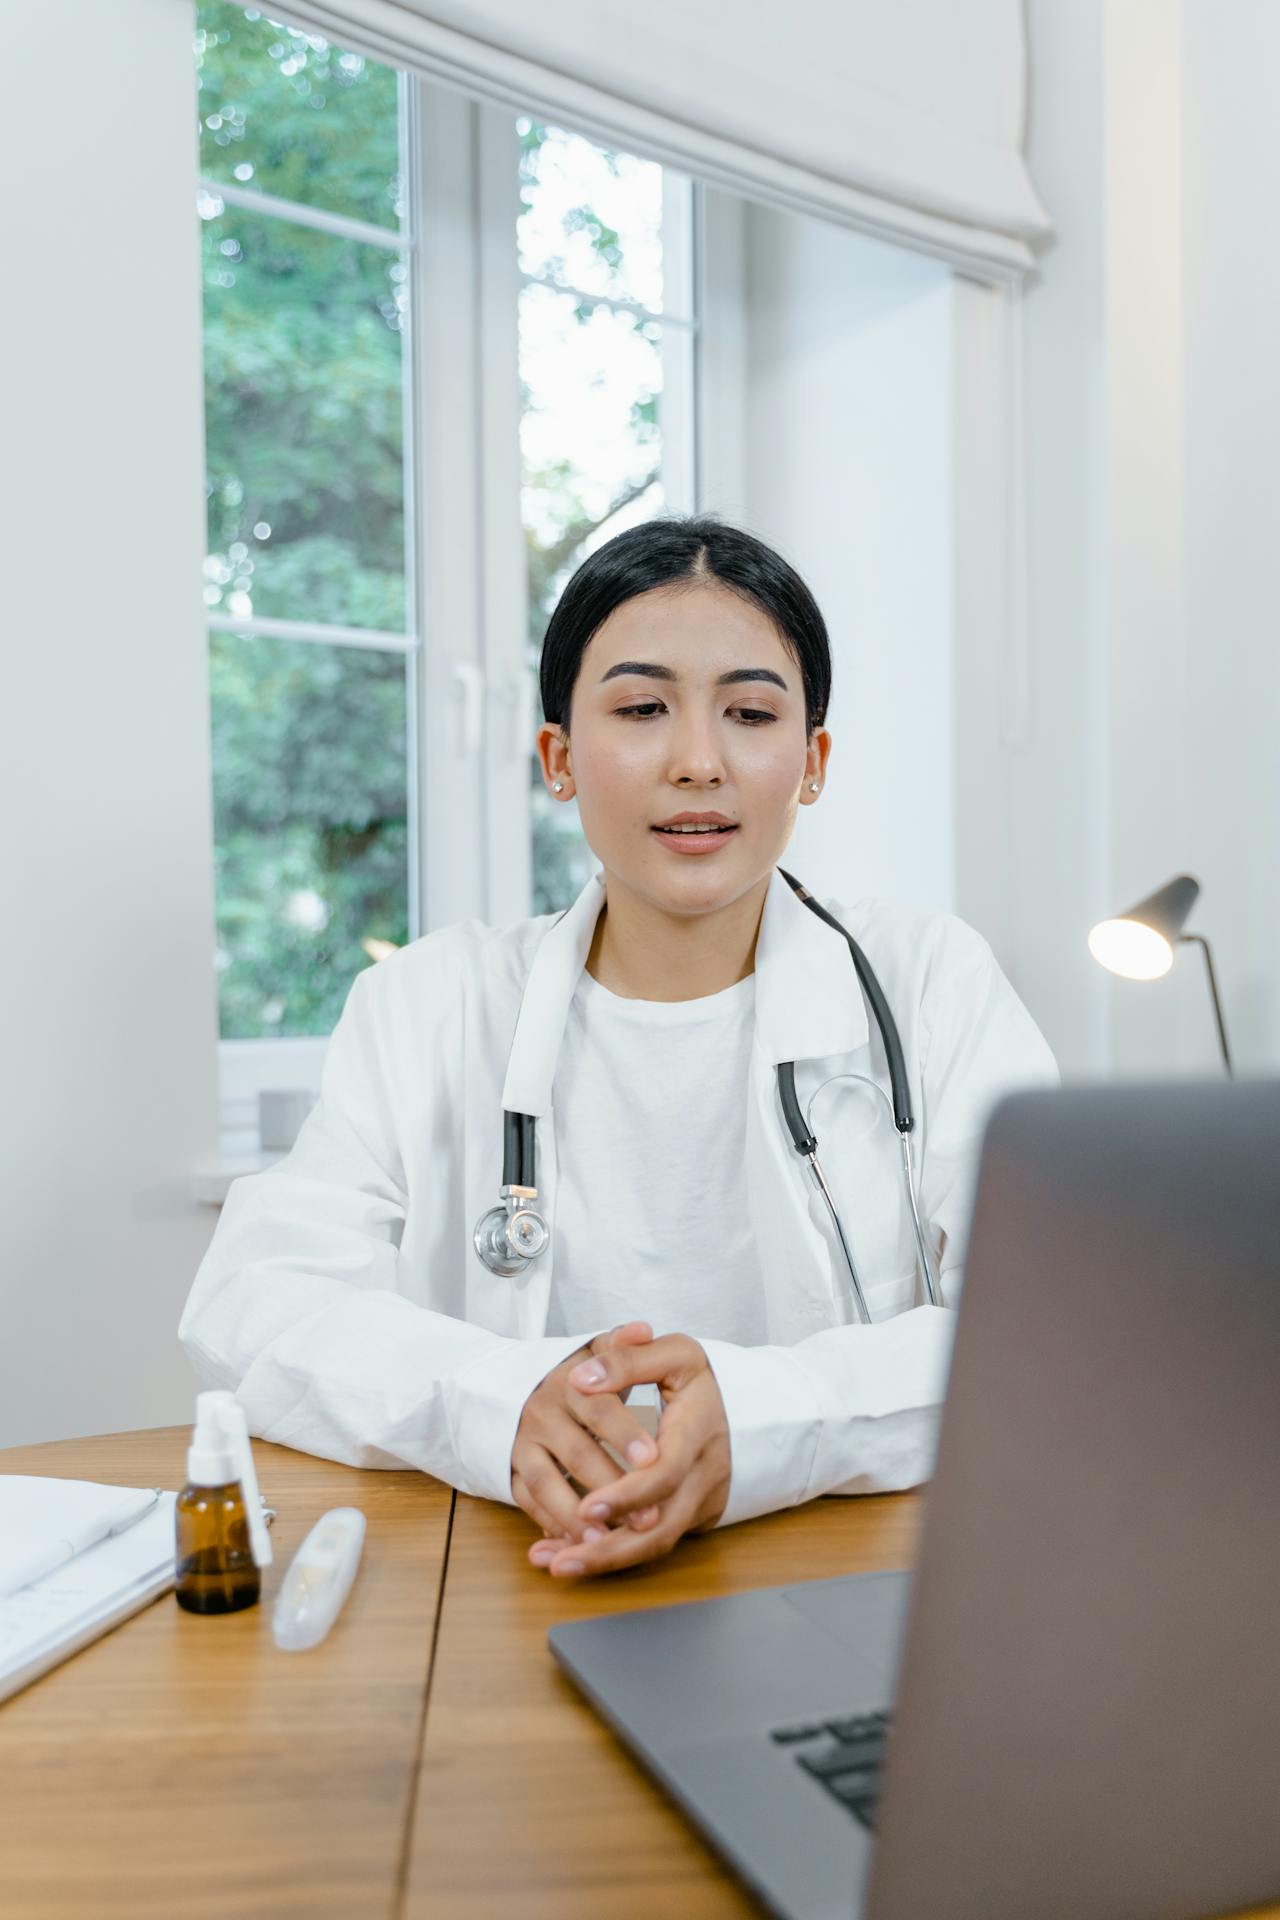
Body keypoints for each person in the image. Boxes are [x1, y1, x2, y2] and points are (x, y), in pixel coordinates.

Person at [179, 516, 1057, 1582]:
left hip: (854, 1571)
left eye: (748, 712)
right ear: (557, 757)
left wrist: (771, 1417)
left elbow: (1046, 1329)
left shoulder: (930, 984)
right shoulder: (426, 1003)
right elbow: (253, 1306)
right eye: (641, 709)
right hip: (512, 1571)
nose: (697, 761)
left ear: (811, 761)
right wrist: (493, 1402)